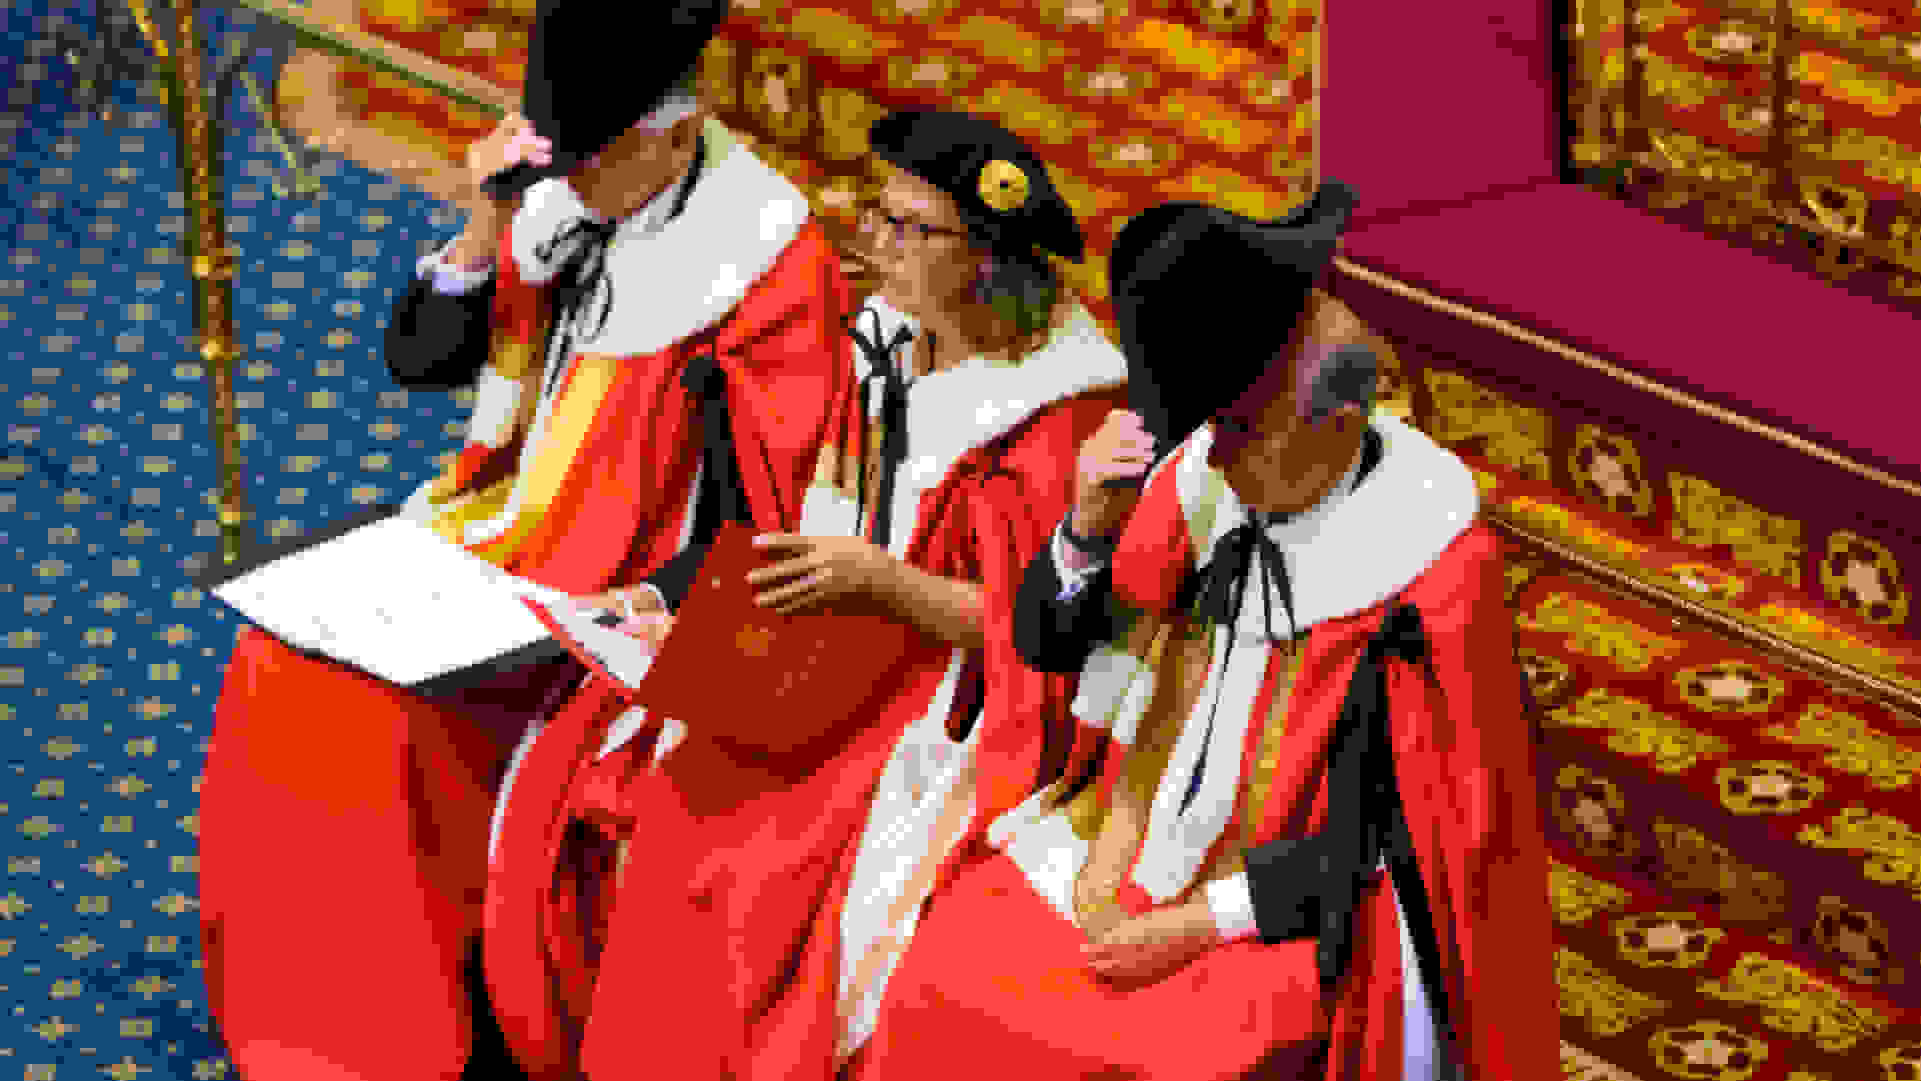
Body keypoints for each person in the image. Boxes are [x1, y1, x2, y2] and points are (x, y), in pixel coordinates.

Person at [194, 1, 859, 1078]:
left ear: (674, 135)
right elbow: (417, 358)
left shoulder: (768, 271)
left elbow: (764, 522)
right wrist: (479, 225)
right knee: (279, 661)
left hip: (615, 613)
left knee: (379, 719)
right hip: (489, 550)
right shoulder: (556, 199)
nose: (569, 184)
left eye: (589, 162)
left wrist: (635, 602)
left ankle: (389, 1044)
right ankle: (294, 1023)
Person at [831, 185, 1561, 1079]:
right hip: (1120, 834)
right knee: (937, 981)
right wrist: (1085, 534)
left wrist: (1198, 921)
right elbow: (1050, 650)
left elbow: (1415, 839)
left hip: (1288, 909)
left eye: (1240, 430)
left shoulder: (1426, 580)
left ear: (1337, 418)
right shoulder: (1199, 481)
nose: (1210, 455)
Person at [480, 108, 1129, 1081]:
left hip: (943, 699)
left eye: (912, 228)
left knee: (758, 868)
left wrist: (885, 585)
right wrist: (681, 600)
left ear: (987, 260)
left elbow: (1034, 634)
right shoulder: (883, 339)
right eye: (877, 215)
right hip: (821, 647)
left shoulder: (1057, 417)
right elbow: (808, 505)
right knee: (638, 778)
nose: (876, 242)